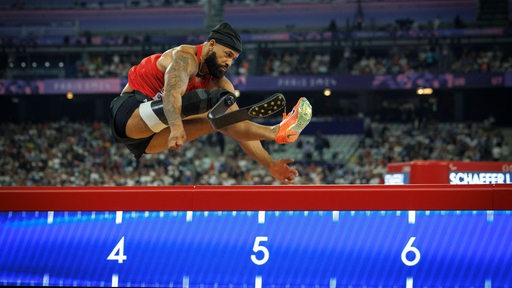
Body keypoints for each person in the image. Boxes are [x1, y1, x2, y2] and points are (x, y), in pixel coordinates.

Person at [110, 22, 312, 184]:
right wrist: (176, 126)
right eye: (228, 54)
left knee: (221, 119)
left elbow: (238, 127)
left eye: (234, 59)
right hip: (129, 114)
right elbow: (172, 92)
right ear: (212, 44)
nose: (229, 63)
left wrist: (270, 165)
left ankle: (278, 132)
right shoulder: (184, 58)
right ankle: (275, 131)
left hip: (149, 141)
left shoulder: (220, 84)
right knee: (213, 101)